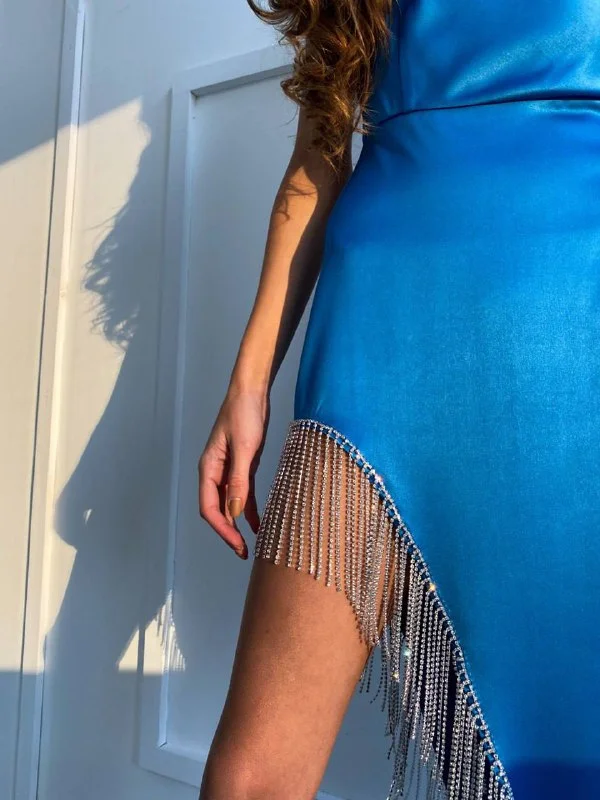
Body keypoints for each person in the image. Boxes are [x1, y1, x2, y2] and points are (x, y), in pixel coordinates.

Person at [196, 1, 600, 798]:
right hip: (380, 330)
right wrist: (248, 385)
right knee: (253, 777)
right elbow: (319, 154)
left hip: (574, 323)